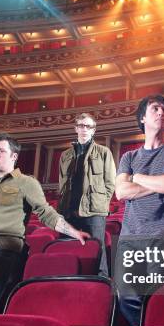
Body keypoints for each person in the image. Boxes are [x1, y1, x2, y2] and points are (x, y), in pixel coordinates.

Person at [0, 133, 89, 311]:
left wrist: (73, 232)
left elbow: (46, 212)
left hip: (0, 252)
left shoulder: (26, 182)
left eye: (1, 151)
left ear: (14, 156)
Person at [115, 95, 164, 326]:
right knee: (127, 296)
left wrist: (137, 178)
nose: (162, 113)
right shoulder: (129, 157)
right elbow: (121, 192)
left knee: (159, 296)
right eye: (156, 108)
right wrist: (158, 182)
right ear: (142, 118)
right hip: (131, 237)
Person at [58, 112, 116, 276]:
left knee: (97, 249)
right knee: (69, 250)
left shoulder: (104, 152)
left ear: (93, 130)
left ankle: (101, 283)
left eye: (88, 126)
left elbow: (110, 183)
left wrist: (101, 203)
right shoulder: (65, 155)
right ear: (76, 128)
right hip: (68, 211)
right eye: (81, 126)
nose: (85, 129)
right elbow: (62, 183)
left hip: (94, 211)